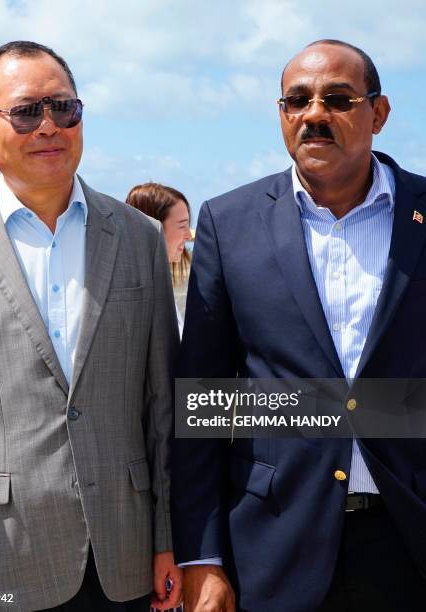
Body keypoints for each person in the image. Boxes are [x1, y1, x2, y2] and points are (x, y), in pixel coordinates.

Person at [171, 39, 426, 612]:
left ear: (378, 113)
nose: (315, 114)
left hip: (410, 540)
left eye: (338, 98)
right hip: (275, 545)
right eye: (297, 100)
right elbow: (203, 400)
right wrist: (202, 557)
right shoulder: (228, 222)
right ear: (281, 115)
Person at [0, 40, 182, 612]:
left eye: (65, 108)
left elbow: (164, 408)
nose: (49, 126)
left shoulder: (137, 239)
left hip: (126, 562)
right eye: (27, 111)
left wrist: (170, 541)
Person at [126, 183, 192, 336]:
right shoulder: (136, 299)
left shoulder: (156, 287)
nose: (189, 235)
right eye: (182, 226)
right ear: (153, 227)